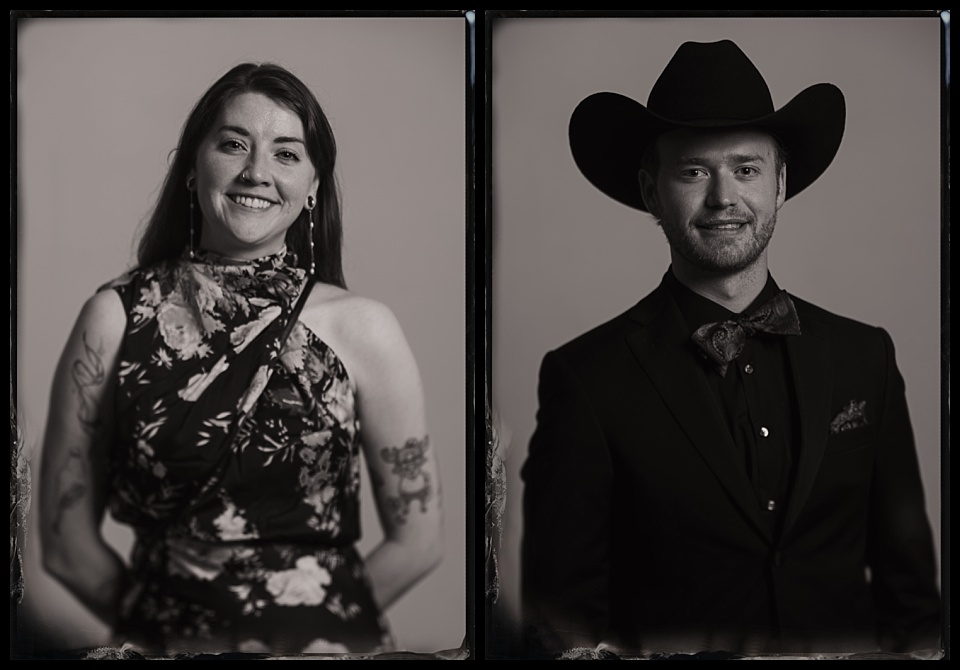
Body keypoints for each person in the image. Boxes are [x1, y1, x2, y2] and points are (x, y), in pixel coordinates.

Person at [520, 40, 940, 656]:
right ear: (651, 191)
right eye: (694, 171)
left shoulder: (866, 357)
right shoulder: (586, 379)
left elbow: (915, 604)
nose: (723, 198)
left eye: (746, 169)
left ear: (780, 184)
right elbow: (561, 626)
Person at [39, 62, 443, 656]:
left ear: (313, 186)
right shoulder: (114, 319)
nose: (256, 172)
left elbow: (419, 540)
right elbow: (64, 543)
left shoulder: (365, 329)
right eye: (233, 145)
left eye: (287, 154)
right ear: (191, 167)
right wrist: (163, 633)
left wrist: (317, 628)